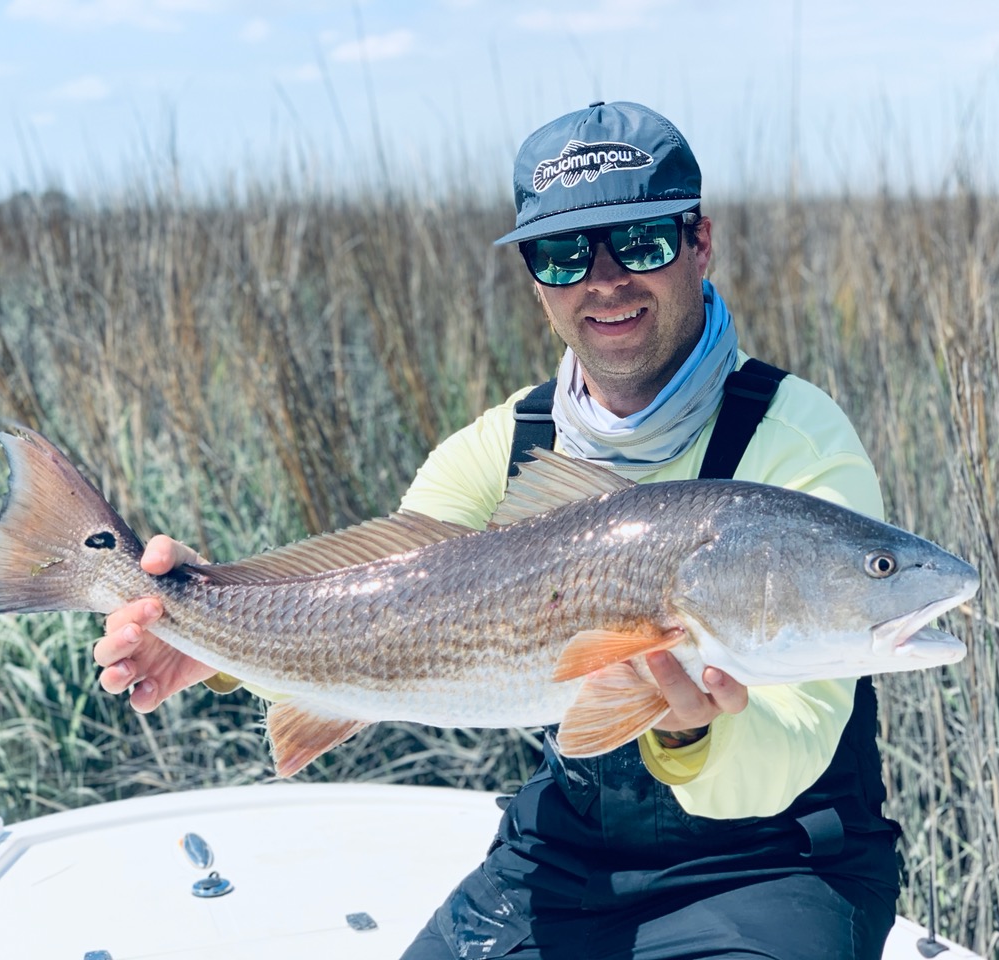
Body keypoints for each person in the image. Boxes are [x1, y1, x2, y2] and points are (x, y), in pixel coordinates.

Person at [93, 101, 900, 960]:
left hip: (780, 865)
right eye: (563, 253)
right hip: (567, 854)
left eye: (642, 241)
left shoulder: (796, 437)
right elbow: (378, 620)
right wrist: (213, 633)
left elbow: (805, 730)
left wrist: (687, 730)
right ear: (534, 276)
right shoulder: (498, 449)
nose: (605, 279)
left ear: (700, 243)